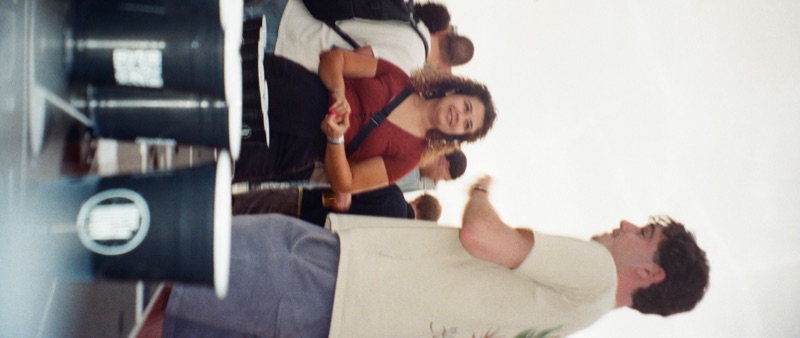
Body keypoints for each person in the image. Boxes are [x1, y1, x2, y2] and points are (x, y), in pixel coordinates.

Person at [162, 176, 709, 337]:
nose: (628, 226)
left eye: (647, 233)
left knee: (168, 261)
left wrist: (482, 193)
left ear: (649, 271)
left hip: (337, 279)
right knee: (160, 316)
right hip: (337, 321)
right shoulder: (572, 321)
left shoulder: (592, 272)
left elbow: (481, 237)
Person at [233, 49, 496, 194]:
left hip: (284, 148)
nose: (460, 117)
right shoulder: (398, 78)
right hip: (286, 85)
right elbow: (334, 59)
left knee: (204, 146)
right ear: (454, 91)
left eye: (467, 125)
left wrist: (335, 139)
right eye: (467, 107)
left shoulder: (409, 157)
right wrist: (338, 92)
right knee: (205, 75)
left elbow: (345, 183)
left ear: (456, 138)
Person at [248, 0, 473, 75]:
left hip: (291, 4)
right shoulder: (409, 61)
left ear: (442, 32)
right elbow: (360, 56)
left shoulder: (408, 11)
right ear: (444, 67)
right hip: (289, 40)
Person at [231, 184, 442, 225]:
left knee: (240, 206)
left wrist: (322, 200)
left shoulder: (394, 193)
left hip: (304, 204)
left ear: (418, 199)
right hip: (306, 232)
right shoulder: (394, 233)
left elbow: (348, 195)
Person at [395, 148, 467, 192]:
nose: (436, 180)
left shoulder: (425, 184)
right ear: (443, 162)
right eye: (442, 178)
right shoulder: (409, 151)